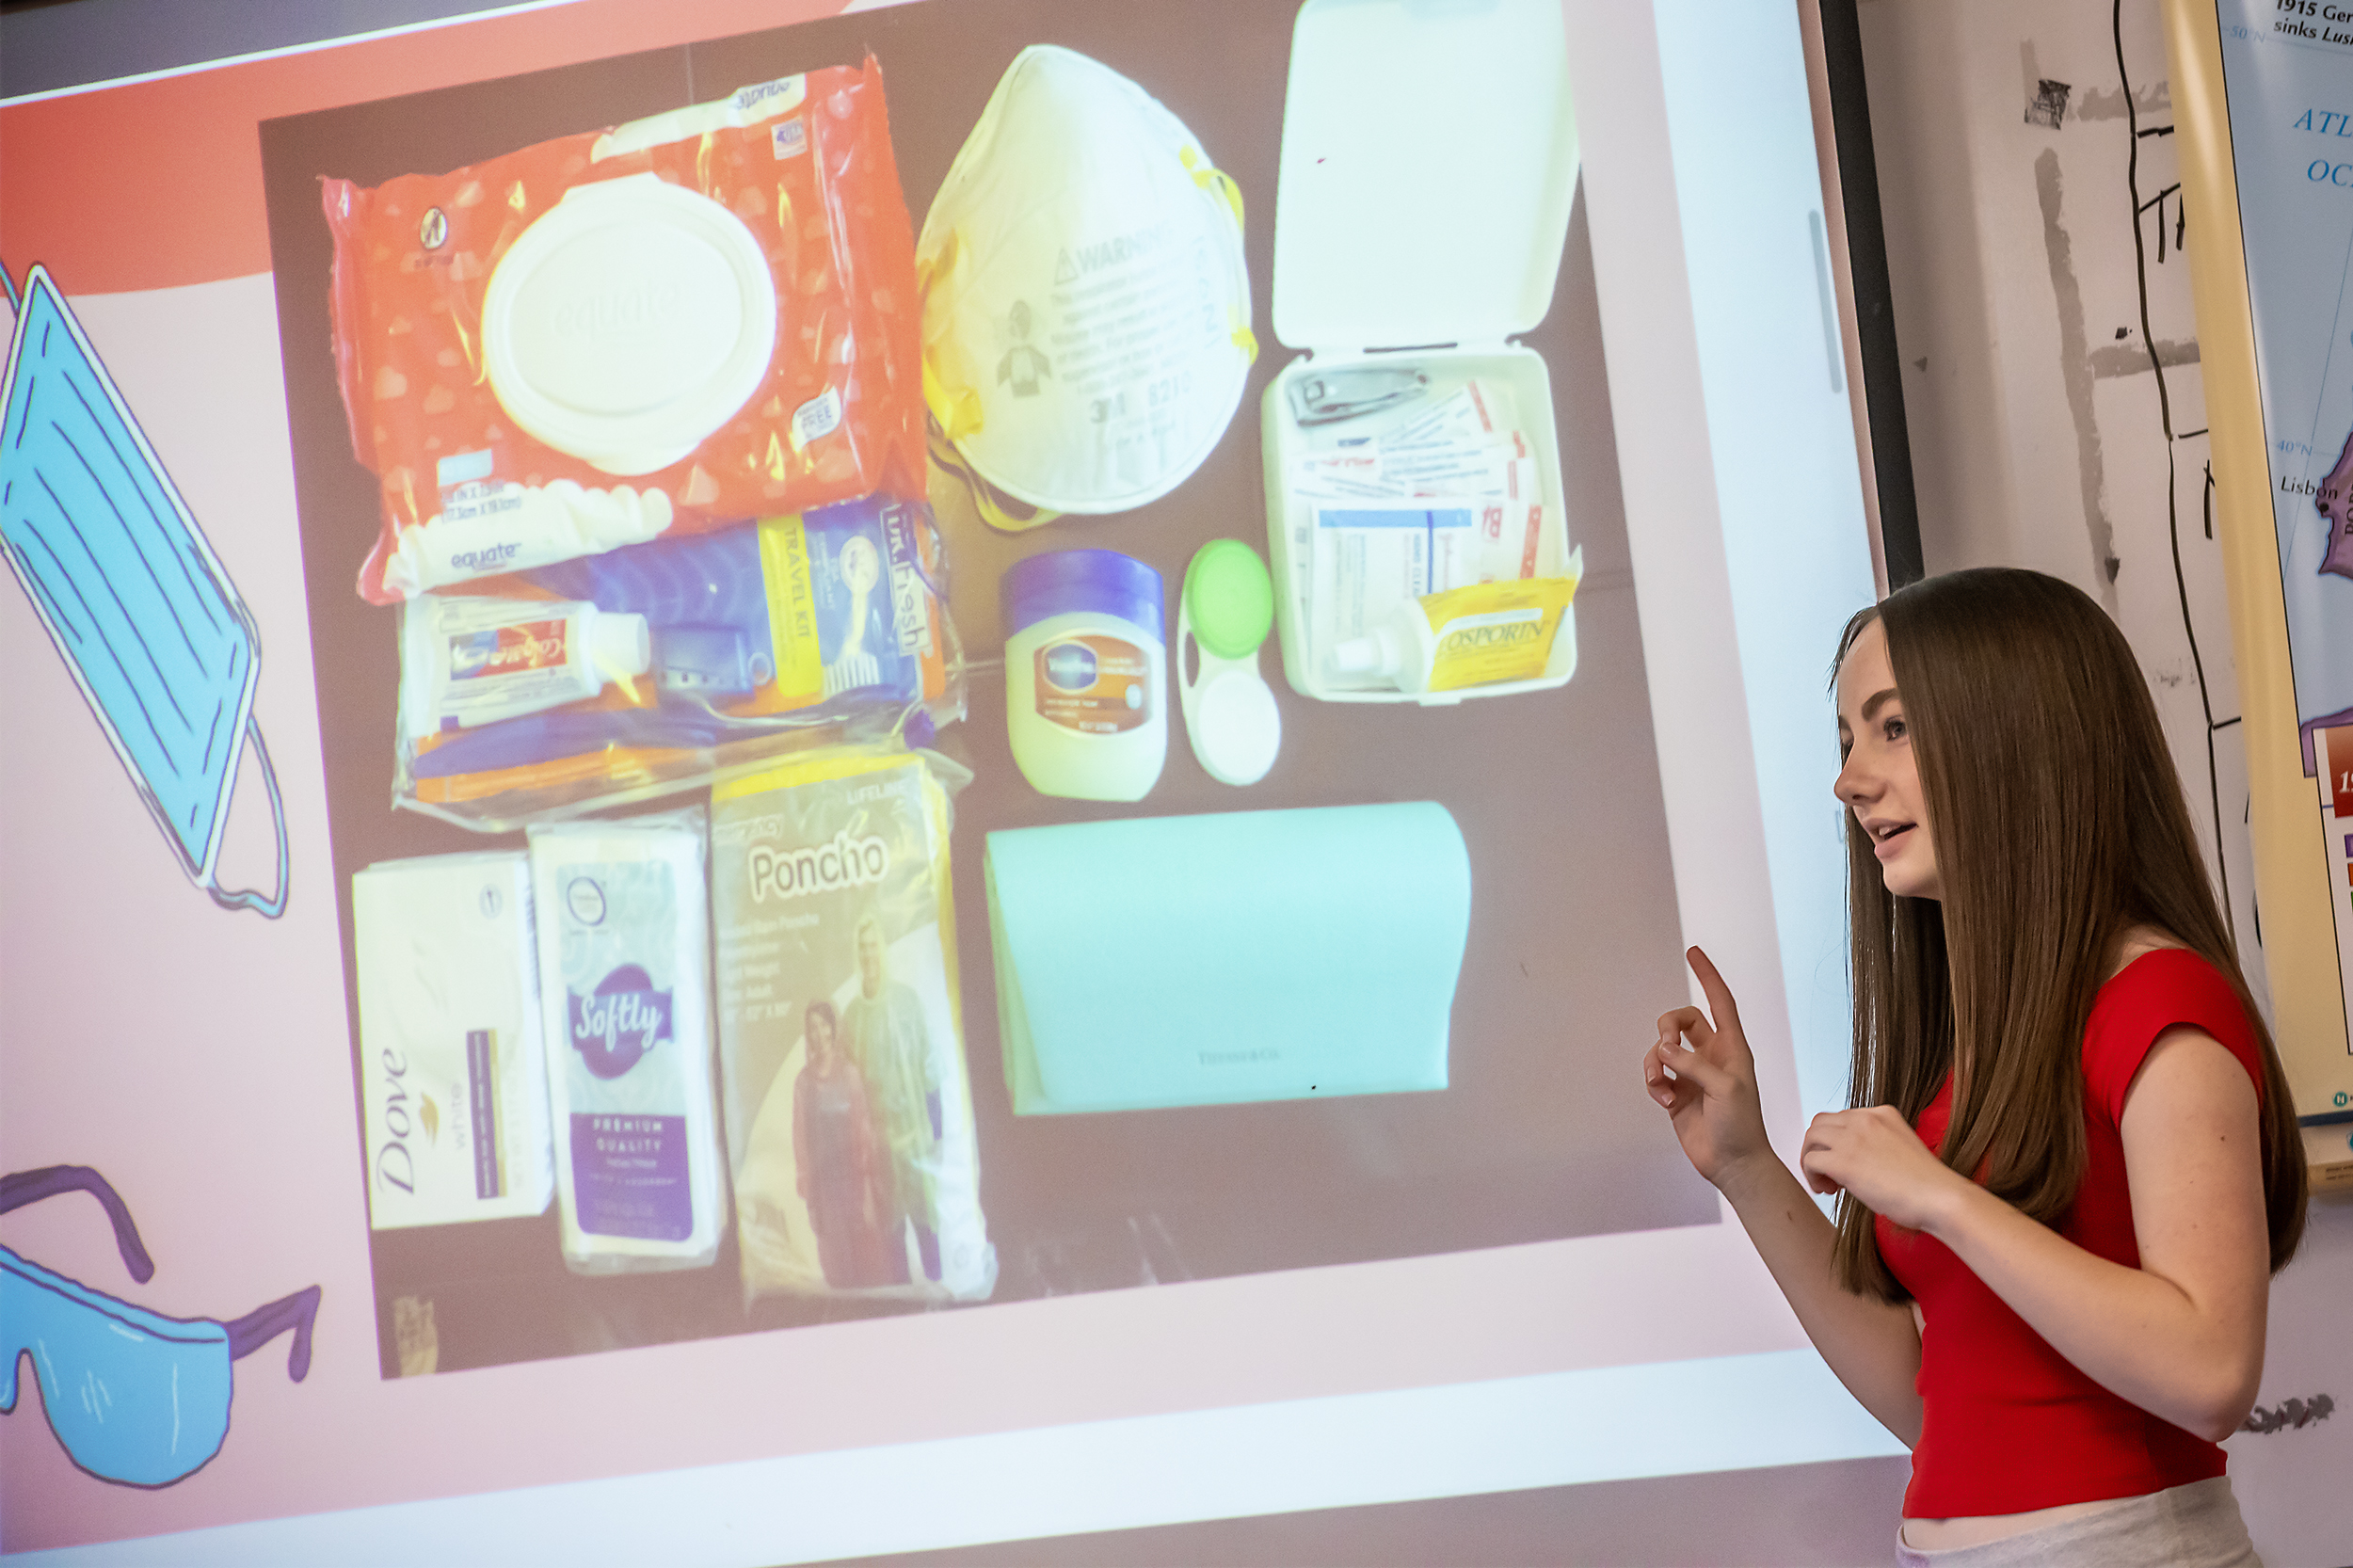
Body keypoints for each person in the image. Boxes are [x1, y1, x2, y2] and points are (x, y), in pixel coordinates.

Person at [1643, 568, 2307, 1564]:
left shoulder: (2161, 1003)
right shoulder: (1980, 1040)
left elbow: (2212, 1371)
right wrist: (1744, 1164)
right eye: (1846, 740)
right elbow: (1924, 1397)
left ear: (2017, 734)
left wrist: (1941, 1199)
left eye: (1892, 728)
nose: (1849, 779)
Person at [840, 913, 945, 1282]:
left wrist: (937, 1131)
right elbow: (849, 1095)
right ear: (856, 954)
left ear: (883, 949)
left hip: (915, 1138)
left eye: (874, 945)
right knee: (892, 1232)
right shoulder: (852, 1018)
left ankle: (939, 1283)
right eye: (862, 947)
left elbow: (928, 1066)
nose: (869, 954)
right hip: (879, 1149)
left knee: (926, 1224)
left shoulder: (907, 1001)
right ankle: (904, 1298)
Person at [791, 1000, 896, 1288]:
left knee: (866, 1257)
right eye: (813, 1028)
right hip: (824, 1189)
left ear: (833, 1029)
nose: (819, 1034)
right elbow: (800, 1137)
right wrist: (807, 1184)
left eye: (824, 1025)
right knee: (836, 1266)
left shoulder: (850, 1074)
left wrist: (867, 1179)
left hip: (854, 1182)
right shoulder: (803, 1083)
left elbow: (863, 1127)